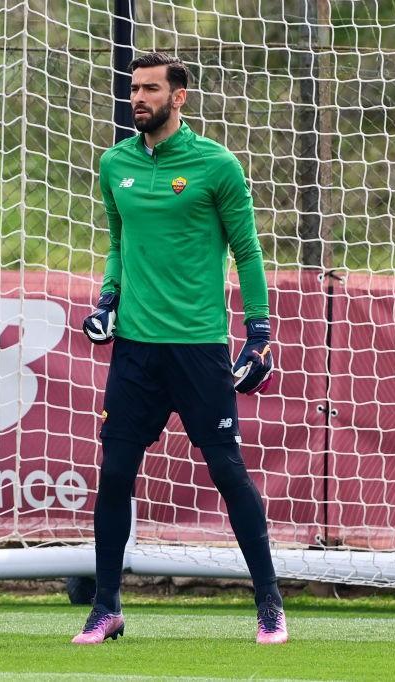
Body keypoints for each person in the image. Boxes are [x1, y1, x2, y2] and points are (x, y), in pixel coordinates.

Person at [72, 52, 287, 646]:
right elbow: (119, 243)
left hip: (198, 348)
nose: (137, 98)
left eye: (149, 89)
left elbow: (247, 251)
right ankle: (106, 606)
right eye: (133, 89)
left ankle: (269, 602)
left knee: (226, 470)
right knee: (114, 473)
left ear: (179, 97)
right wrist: (107, 300)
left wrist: (260, 333)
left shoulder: (216, 165)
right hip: (136, 352)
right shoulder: (114, 163)